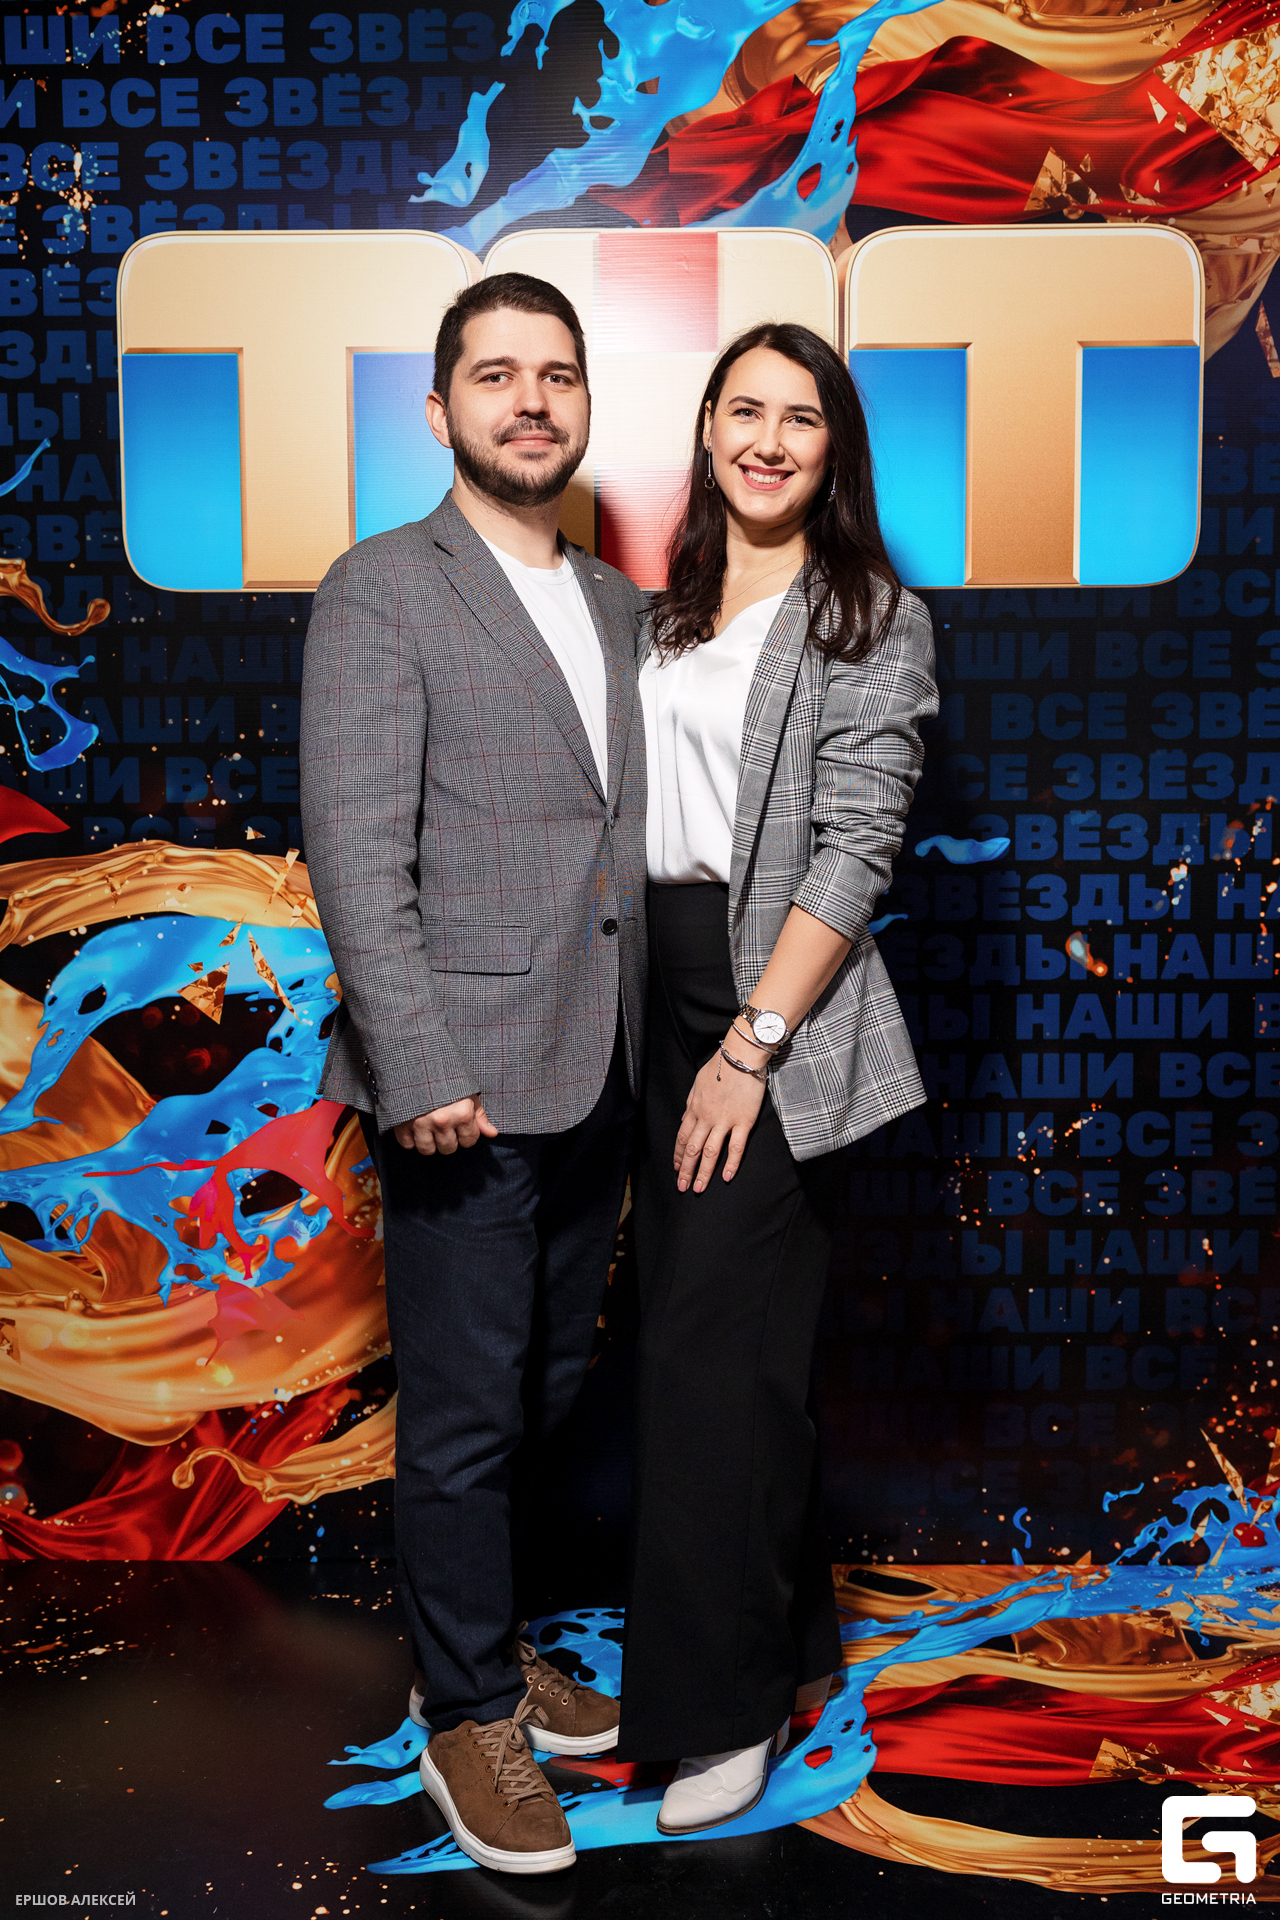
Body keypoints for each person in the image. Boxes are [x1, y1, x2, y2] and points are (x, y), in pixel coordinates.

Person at [300, 273, 647, 1877]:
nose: (531, 400)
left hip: (599, 1067)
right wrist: (418, 1060)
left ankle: (487, 1647)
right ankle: (463, 1718)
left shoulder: (621, 605)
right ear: (441, 411)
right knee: (456, 1416)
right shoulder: (385, 588)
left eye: (556, 374)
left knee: (540, 1394)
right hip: (463, 1084)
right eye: (497, 375)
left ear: (585, 405)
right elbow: (355, 850)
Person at [617, 321, 937, 1833]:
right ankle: (791, 1649)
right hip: (649, 994)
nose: (766, 440)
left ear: (833, 449)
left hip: (770, 1008)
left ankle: (723, 1714)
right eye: (742, 410)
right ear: (706, 430)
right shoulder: (661, 612)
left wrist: (752, 1046)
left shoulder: (870, 615)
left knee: (712, 1364)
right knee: (716, 1359)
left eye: (798, 418)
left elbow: (858, 847)